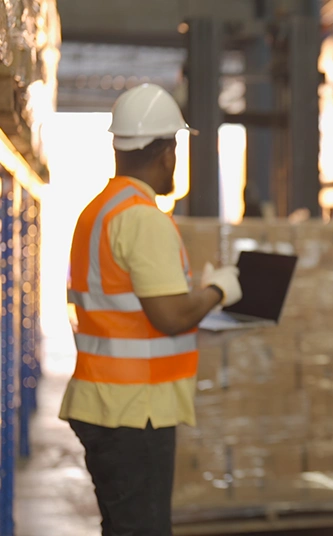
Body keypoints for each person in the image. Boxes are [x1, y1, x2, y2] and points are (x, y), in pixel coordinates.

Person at [60, 83, 243, 536]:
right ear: (167, 151)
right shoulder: (143, 218)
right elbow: (171, 317)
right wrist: (219, 290)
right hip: (133, 411)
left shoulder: (97, 211)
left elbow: (130, 305)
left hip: (106, 402)